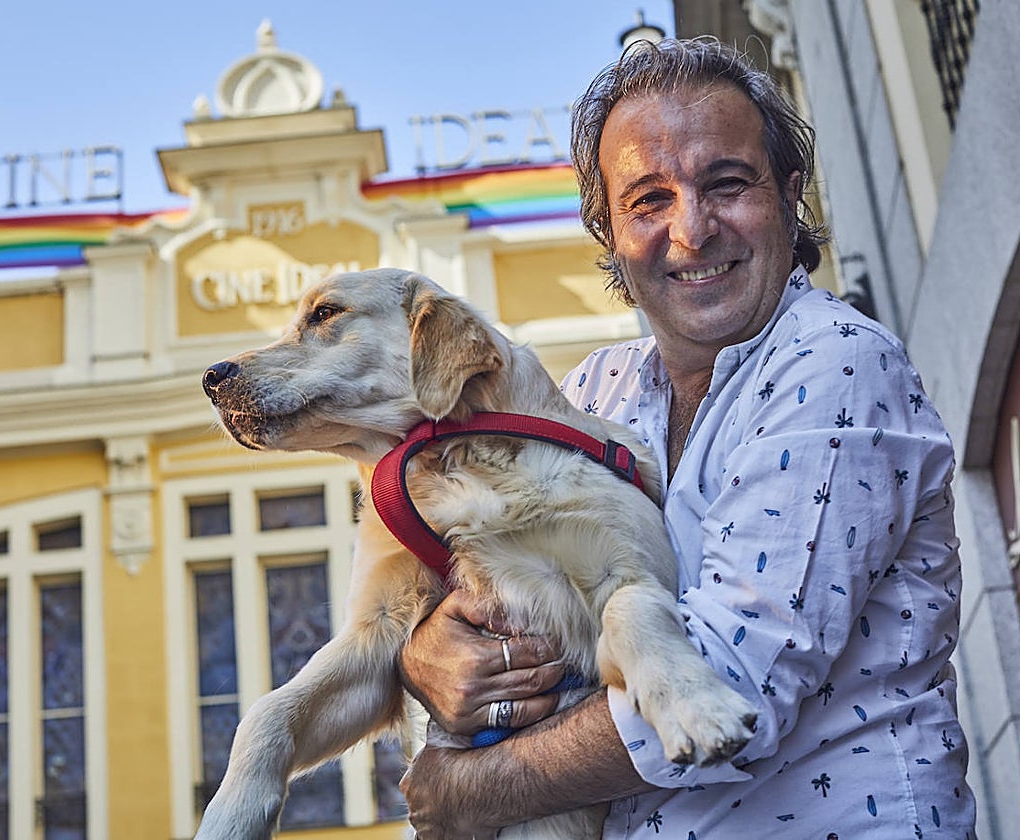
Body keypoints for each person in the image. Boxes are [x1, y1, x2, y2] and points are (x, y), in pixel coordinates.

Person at [398, 37, 977, 839]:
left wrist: (467, 790)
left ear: (790, 196)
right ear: (609, 234)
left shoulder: (838, 361)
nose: (693, 229)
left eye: (727, 183)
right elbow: (496, 592)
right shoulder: (594, 390)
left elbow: (730, 683)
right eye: (649, 200)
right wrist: (427, 655)